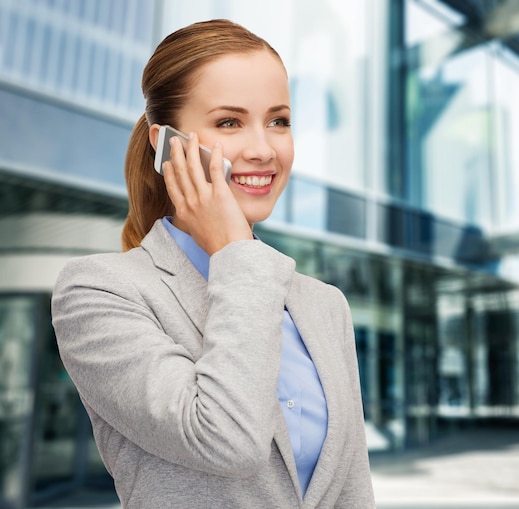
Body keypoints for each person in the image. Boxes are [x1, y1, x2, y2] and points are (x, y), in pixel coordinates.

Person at [51, 18, 375, 509]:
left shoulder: (325, 305)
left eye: (279, 121)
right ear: (167, 145)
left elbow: (351, 487)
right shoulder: (99, 292)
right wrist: (233, 250)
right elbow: (226, 440)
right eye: (229, 122)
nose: (263, 149)